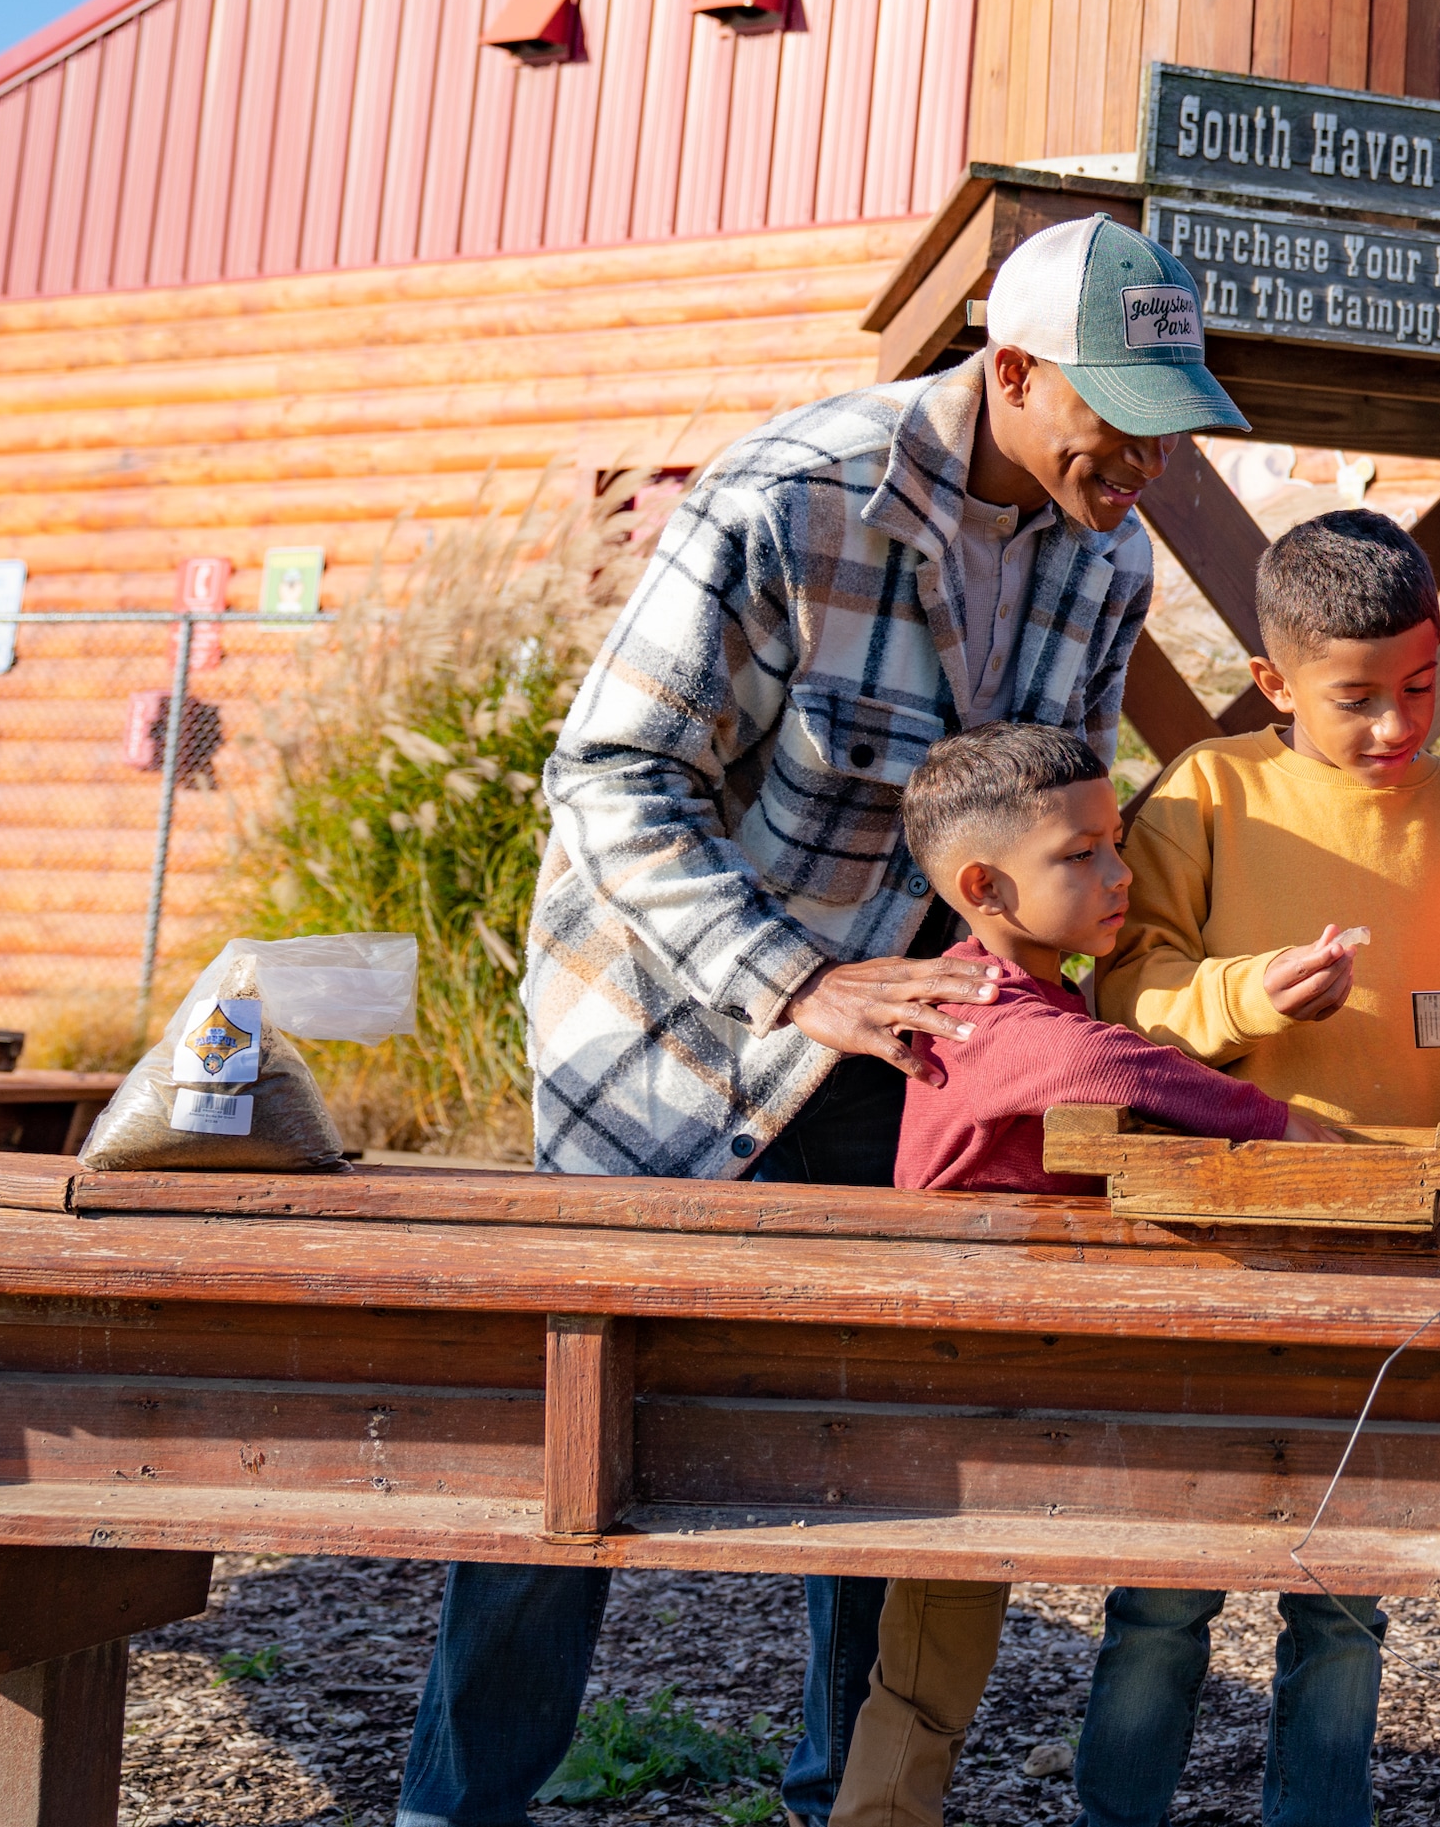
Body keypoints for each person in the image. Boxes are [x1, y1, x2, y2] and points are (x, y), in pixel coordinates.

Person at [396, 215, 1249, 1827]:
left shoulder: (1108, 560)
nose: (1142, 460)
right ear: (1011, 371)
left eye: (1166, 416)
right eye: (1114, 416)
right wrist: (793, 978)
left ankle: (839, 1805)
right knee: (568, 1463)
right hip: (667, 1038)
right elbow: (613, 776)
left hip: (904, 1039)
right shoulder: (793, 496)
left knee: (887, 1437)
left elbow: (1032, 833)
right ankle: (456, 1808)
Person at [836, 507, 1440, 1827]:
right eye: (1356, 699)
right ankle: (1118, 1810)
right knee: (1168, 1584)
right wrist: (1254, 996)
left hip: (1393, 1243)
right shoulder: (1202, 792)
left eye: (1420, 688)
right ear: (1274, 683)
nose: (1393, 725)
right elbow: (1118, 1008)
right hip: (1217, 1242)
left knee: (1350, 1586)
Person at [831, 720, 1334, 1826]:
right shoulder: (982, 1005)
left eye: (1117, 844)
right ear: (984, 884)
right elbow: (1096, 1063)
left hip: (1020, 1372)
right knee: (927, 1660)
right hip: (971, 1384)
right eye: (1082, 854)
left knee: (932, 1653)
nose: (1119, 873)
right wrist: (1286, 1127)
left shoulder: (1026, 988)